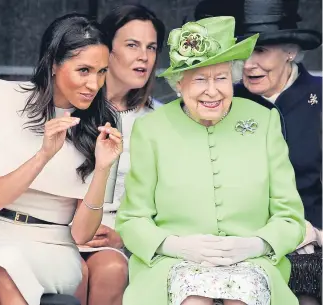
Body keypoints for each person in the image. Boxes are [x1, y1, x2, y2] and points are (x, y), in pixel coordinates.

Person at [116, 16, 305, 305]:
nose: (213, 91)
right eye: (200, 79)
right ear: (179, 84)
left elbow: (290, 217)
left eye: (221, 78)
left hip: (252, 260)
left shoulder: (264, 120)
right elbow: (132, 219)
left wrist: (254, 245)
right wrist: (177, 246)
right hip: (173, 261)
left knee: (244, 295)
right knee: (193, 299)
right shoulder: (151, 129)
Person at [0, 13, 122, 305]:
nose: (94, 84)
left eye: (101, 72)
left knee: (3, 269)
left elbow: (82, 233)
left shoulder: (100, 122)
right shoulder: (0, 96)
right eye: (83, 70)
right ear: (53, 65)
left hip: (52, 245)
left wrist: (102, 170)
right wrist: (44, 155)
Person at [194, 1, 322, 303]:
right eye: (242, 51)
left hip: (309, 241)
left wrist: (317, 233)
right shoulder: (221, 100)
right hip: (235, 241)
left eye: (260, 51)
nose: (248, 64)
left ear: (290, 51)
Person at [73, 4, 165, 305]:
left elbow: (171, 199)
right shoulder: (73, 106)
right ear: (106, 50)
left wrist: (125, 237)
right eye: (132, 45)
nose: (144, 56)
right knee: (75, 273)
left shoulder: (161, 120)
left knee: (112, 268)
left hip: (123, 234)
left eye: (151, 47)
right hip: (62, 227)